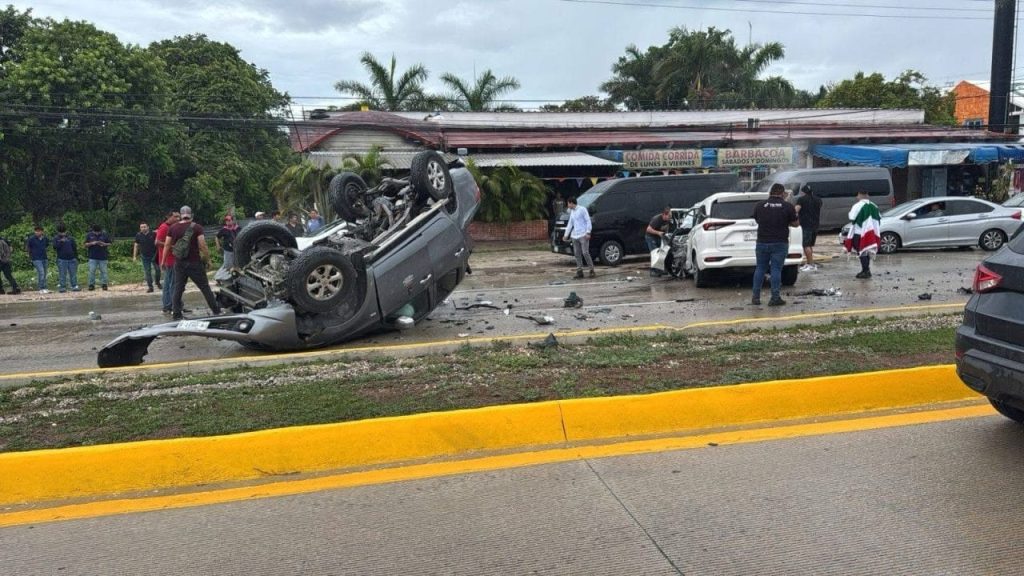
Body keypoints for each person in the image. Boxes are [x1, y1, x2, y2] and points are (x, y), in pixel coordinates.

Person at [163, 205, 222, 320]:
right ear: (191, 215)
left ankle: (176, 314)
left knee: (178, 288)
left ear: (180, 215)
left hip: (179, 263)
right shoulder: (197, 227)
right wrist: (208, 259)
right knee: (205, 287)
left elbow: (167, 245)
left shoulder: (173, 228)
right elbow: (202, 245)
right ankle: (216, 311)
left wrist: (163, 261)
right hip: (194, 262)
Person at [752, 183, 799, 306]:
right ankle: (775, 298)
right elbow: (796, 224)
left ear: (770, 193)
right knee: (776, 269)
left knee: (760, 268)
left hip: (762, 242)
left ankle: (755, 298)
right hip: (780, 242)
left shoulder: (760, 205)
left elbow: (757, 220)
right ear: (783, 193)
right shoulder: (787, 206)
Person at [844, 190, 881, 279]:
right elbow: (879, 218)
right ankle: (866, 269)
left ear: (859, 195)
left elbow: (852, 217)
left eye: (857, 195)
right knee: (867, 251)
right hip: (870, 233)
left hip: (859, 232)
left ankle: (865, 271)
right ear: (867, 195)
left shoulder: (857, 206)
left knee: (861, 252)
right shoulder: (874, 206)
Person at [562, 196, 596, 279]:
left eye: (568, 203)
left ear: (571, 203)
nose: (568, 205)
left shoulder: (582, 209)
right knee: (577, 254)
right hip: (575, 235)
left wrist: (588, 232)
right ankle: (579, 271)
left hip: (583, 234)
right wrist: (566, 235)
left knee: (585, 252)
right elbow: (570, 224)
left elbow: (588, 220)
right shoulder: (572, 212)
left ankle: (591, 270)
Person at [155, 211, 180, 314]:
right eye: (175, 217)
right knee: (172, 284)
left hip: (171, 259)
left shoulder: (173, 227)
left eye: (179, 216)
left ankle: (171, 305)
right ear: (169, 217)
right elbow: (157, 242)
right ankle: (171, 306)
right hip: (169, 260)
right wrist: (170, 245)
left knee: (171, 284)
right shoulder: (164, 227)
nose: (178, 218)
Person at [795, 184, 822, 272]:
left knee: (806, 245)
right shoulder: (818, 200)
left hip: (805, 225)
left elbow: (796, 210)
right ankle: (809, 262)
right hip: (815, 225)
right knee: (809, 245)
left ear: (803, 192)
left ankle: (811, 264)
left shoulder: (801, 199)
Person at [645, 206, 673, 277]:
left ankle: (660, 270)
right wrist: (658, 233)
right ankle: (653, 271)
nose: (670, 217)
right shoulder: (657, 219)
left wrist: (666, 235)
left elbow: (666, 228)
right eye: (669, 216)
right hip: (650, 237)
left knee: (662, 252)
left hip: (658, 237)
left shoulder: (668, 220)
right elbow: (648, 229)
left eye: (670, 216)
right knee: (655, 252)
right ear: (664, 214)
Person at [133, 222, 160, 293]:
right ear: (140, 228)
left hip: (154, 255)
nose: (143, 228)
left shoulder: (153, 234)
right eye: (141, 227)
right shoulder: (138, 235)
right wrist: (134, 256)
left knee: (158, 270)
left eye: (144, 227)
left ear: (148, 227)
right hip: (144, 256)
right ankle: (150, 287)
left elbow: (158, 242)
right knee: (147, 272)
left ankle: (157, 282)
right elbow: (136, 246)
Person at [53, 224, 81, 293]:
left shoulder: (70, 238)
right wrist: (61, 242)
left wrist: (76, 257)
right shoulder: (56, 238)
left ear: (66, 231)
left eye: (64, 232)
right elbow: (55, 247)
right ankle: (62, 287)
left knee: (73, 273)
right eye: (61, 232)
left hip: (72, 258)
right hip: (62, 259)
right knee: (62, 273)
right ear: (58, 232)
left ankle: (74, 286)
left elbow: (74, 248)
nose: (62, 233)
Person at [85, 224, 112, 291]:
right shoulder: (89, 235)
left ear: (100, 231)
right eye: (95, 232)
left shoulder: (104, 234)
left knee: (104, 271)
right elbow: (85, 244)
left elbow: (110, 243)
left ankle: (104, 285)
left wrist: (104, 244)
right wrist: (91, 243)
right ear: (93, 231)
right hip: (92, 257)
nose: (97, 233)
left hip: (103, 257)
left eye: (98, 232)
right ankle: (91, 285)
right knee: (92, 271)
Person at [214, 214, 240, 284]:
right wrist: (218, 246)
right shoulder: (224, 229)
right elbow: (217, 237)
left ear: (232, 221)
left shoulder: (237, 228)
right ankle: (218, 277)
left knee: (235, 265)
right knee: (227, 266)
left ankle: (233, 279)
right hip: (228, 250)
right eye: (226, 221)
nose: (228, 222)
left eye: (229, 220)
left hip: (236, 250)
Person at [26, 226, 50, 293]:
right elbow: (28, 247)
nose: (37, 232)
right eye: (36, 231)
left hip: (44, 258)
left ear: (42, 232)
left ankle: (45, 287)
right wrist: (30, 255)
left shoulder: (45, 238)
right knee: (41, 272)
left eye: (39, 231)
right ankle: (40, 288)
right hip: (36, 258)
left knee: (45, 273)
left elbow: (47, 245)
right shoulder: (31, 239)